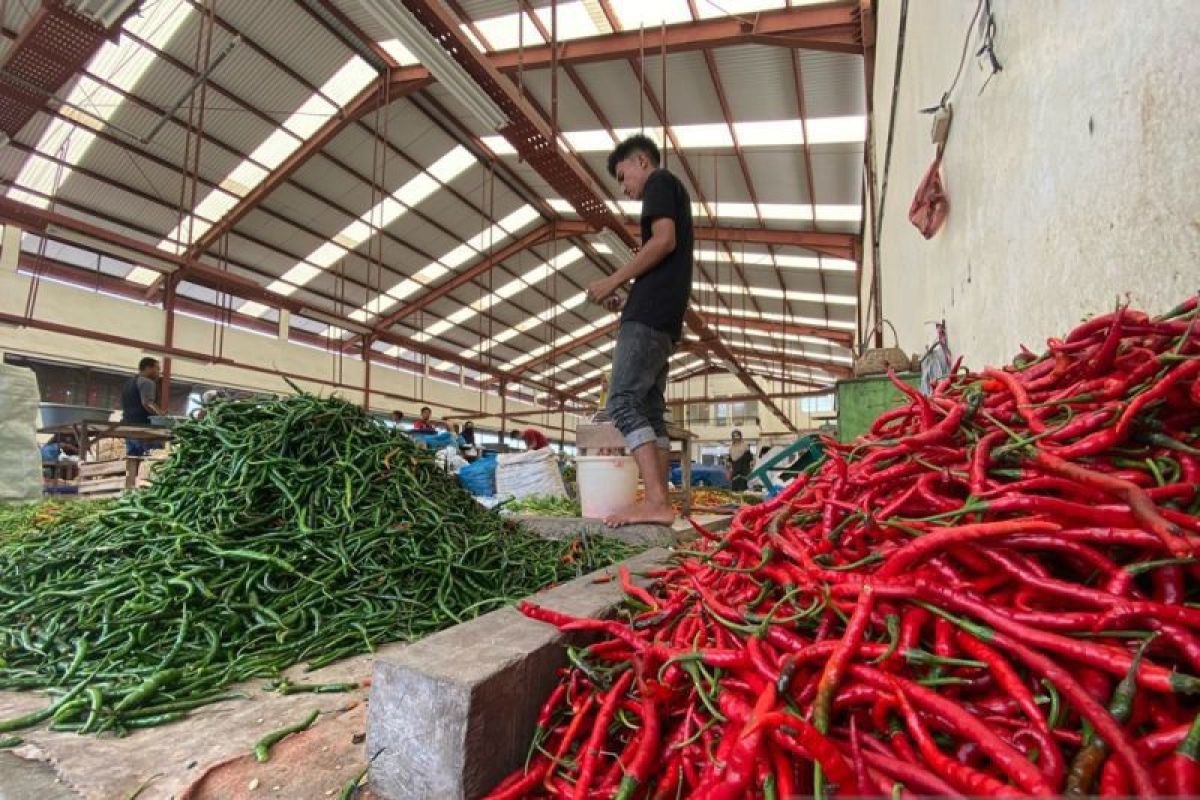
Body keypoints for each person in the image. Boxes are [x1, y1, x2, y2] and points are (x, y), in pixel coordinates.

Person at [585, 134, 693, 527]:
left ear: (641, 161)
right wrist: (628, 297)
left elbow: (663, 242)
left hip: (650, 317)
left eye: (623, 175)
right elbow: (662, 260)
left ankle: (656, 501)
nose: (625, 188)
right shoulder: (672, 191)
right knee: (649, 409)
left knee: (623, 401)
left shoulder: (660, 183)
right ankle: (658, 502)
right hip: (662, 317)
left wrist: (614, 281)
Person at [122, 357, 163, 456]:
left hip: (129, 428)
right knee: (150, 462)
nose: (159, 372)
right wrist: (162, 417)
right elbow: (148, 403)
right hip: (144, 431)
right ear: (148, 368)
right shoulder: (147, 382)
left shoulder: (129, 383)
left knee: (132, 460)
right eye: (157, 369)